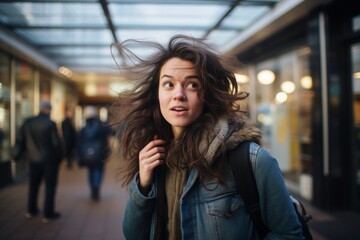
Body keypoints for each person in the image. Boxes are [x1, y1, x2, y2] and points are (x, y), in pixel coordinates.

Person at [111, 34, 305, 240]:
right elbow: (133, 234)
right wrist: (143, 184)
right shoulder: (154, 157)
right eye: (168, 84)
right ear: (157, 93)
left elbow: (289, 235)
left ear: (208, 95)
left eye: (192, 84)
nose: (179, 94)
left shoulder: (252, 160)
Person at [13, 100, 63, 223]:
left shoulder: (28, 123)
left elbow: (20, 141)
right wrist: (60, 157)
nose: (50, 111)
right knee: (50, 187)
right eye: (50, 108)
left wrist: (16, 155)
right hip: (49, 161)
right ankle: (48, 213)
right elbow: (56, 144)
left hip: (33, 160)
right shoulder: (50, 124)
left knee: (33, 185)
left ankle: (31, 209)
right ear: (46, 109)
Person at [77, 106, 112, 201]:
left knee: (91, 171)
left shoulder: (83, 127)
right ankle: (96, 188)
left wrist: (80, 153)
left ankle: (93, 189)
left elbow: (79, 141)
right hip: (100, 153)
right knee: (100, 170)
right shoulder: (101, 125)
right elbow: (111, 132)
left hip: (88, 154)